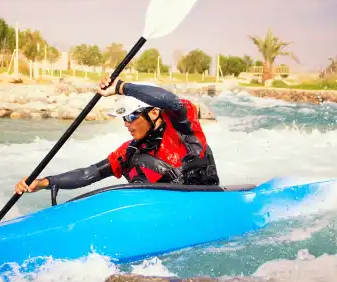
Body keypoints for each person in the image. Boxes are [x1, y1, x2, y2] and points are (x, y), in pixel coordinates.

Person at [14, 75, 219, 195]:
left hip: (204, 202)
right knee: (135, 160)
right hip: (158, 217)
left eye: (131, 117)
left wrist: (121, 87)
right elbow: (89, 174)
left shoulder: (182, 129)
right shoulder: (129, 152)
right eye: (123, 119)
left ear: (154, 113)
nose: (126, 124)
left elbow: (170, 101)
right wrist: (42, 183)